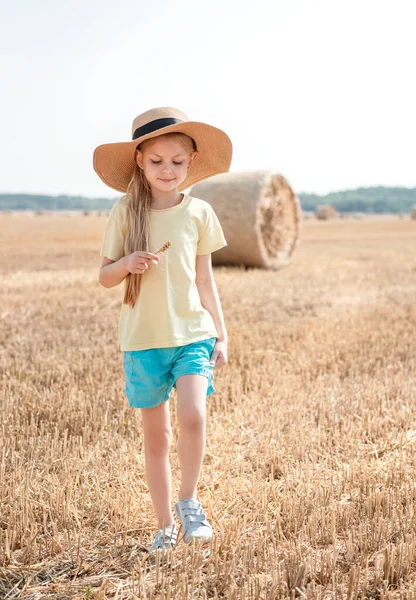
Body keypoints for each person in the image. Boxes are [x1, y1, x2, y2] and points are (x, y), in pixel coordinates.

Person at [94, 107, 232, 552]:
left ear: (191, 162)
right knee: (158, 437)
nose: (167, 170)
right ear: (140, 161)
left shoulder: (200, 212)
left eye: (176, 161)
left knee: (194, 415)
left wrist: (222, 334)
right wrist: (124, 264)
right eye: (157, 161)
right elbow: (104, 275)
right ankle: (164, 525)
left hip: (193, 332)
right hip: (143, 340)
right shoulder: (125, 211)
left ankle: (190, 504)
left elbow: (206, 280)